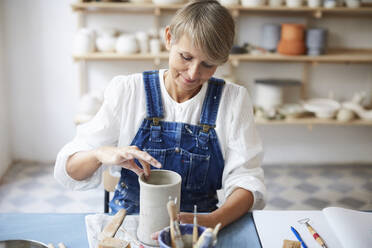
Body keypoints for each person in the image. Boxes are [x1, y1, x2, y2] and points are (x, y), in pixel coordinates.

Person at [55, 0, 266, 229]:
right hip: (129, 223)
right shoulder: (128, 91)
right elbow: (69, 170)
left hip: (198, 226)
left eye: (208, 64)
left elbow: (247, 180)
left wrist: (214, 219)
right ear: (168, 38)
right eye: (186, 57)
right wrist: (99, 154)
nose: (193, 73)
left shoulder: (233, 100)